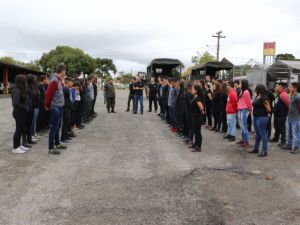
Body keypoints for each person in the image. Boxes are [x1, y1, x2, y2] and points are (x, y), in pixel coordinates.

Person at [45, 64, 68, 154]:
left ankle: (57, 143)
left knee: (58, 126)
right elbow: (48, 94)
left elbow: (60, 91)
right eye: (65, 71)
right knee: (54, 127)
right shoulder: (54, 80)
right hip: (55, 107)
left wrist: (62, 81)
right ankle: (51, 148)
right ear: (62, 71)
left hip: (59, 106)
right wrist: (47, 105)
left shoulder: (58, 80)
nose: (65, 73)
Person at [250, 84, 271, 157]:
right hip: (256, 117)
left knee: (263, 134)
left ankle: (264, 151)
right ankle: (256, 148)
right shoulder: (257, 96)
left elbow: (268, 108)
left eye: (256, 88)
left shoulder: (264, 97)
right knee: (258, 134)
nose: (254, 89)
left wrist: (268, 114)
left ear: (259, 89)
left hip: (262, 117)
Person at [11, 75, 29, 154]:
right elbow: (15, 103)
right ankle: (15, 147)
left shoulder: (20, 89)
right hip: (18, 112)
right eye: (24, 80)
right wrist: (25, 107)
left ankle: (19, 145)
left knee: (21, 129)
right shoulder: (16, 90)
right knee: (18, 130)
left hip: (21, 112)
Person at [282, 82, 300, 154]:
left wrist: (297, 115)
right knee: (289, 133)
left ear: (295, 88)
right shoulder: (292, 95)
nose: (289, 88)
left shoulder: (298, 97)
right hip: (290, 117)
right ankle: (289, 144)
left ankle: (297, 147)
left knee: (296, 134)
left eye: (291, 87)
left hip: (296, 118)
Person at [270, 82, 290, 147]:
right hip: (277, 114)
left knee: (282, 128)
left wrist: (285, 112)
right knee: (277, 127)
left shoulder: (283, 94)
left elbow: (288, 104)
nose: (275, 87)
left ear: (280, 87)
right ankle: (276, 138)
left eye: (277, 86)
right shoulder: (279, 94)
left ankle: (283, 141)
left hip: (281, 115)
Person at [189, 84, 205, 152]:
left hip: (197, 117)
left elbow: (201, 107)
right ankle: (195, 144)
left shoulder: (197, 98)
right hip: (194, 117)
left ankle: (199, 147)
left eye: (192, 89)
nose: (191, 91)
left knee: (198, 132)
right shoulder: (195, 97)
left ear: (196, 91)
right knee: (195, 131)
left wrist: (201, 111)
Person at [237, 80, 253, 148]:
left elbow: (248, 102)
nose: (239, 84)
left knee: (244, 126)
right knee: (242, 126)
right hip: (241, 110)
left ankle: (246, 142)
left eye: (240, 83)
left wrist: (250, 110)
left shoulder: (246, 92)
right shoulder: (242, 91)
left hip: (244, 110)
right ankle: (243, 140)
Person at [23, 75, 36, 146]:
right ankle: (24, 141)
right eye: (33, 79)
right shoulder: (26, 88)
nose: (34, 80)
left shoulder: (31, 87)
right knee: (26, 125)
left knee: (30, 125)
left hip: (32, 108)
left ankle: (29, 139)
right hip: (28, 109)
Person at [61, 77, 73, 144]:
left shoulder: (67, 88)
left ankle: (66, 136)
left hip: (68, 108)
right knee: (65, 123)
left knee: (67, 123)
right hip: (65, 108)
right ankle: (63, 138)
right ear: (68, 82)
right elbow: (64, 99)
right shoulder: (65, 88)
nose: (72, 83)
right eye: (71, 82)